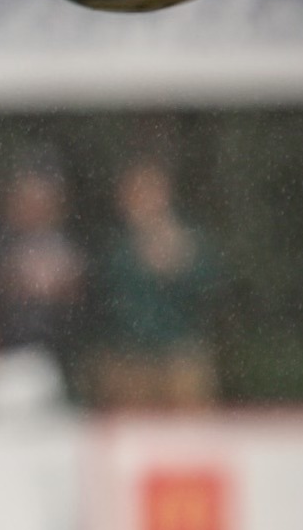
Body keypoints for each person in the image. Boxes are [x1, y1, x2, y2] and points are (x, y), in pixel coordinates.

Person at [0, 160, 86, 414]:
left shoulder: (67, 247)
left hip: (51, 367)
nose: (35, 206)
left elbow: (79, 309)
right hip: (1, 367)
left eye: (43, 197)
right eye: (28, 196)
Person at [91, 157, 218, 410]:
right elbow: (100, 297)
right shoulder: (111, 245)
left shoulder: (188, 240)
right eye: (137, 192)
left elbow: (212, 288)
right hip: (127, 357)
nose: (145, 200)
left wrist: (181, 262)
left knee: (189, 424)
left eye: (152, 191)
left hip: (180, 356)